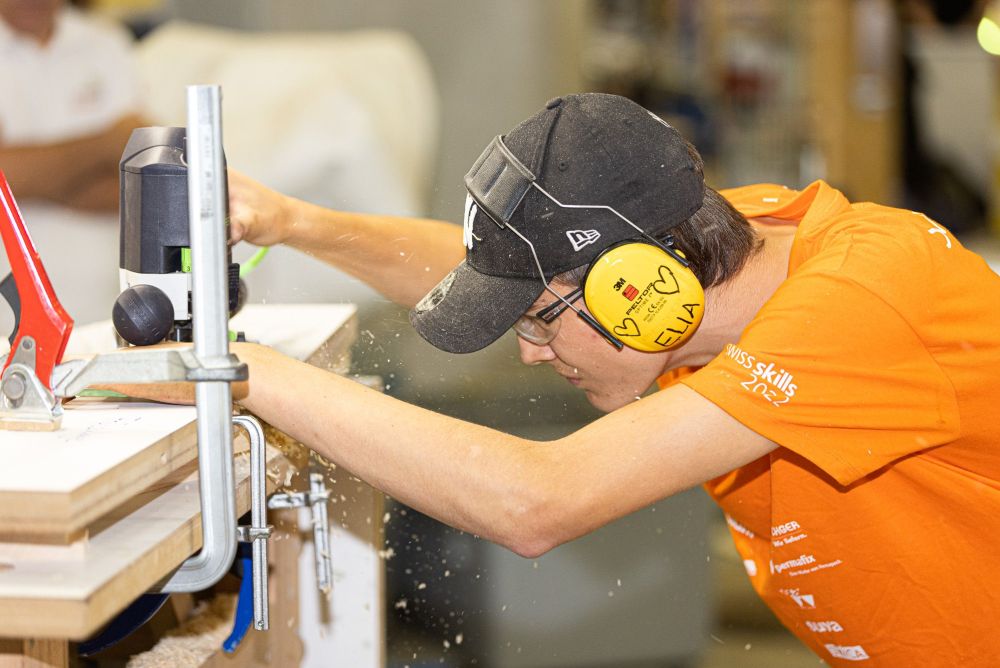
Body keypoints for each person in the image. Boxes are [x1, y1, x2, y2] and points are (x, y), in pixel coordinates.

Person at [161, 93, 1000, 665]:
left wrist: (238, 372)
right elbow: (501, 271)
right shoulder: (720, 239)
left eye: (539, 322)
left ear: (640, 287)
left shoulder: (858, 307)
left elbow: (538, 502)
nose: (529, 351)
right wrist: (297, 222)